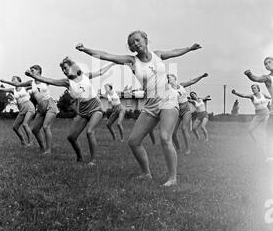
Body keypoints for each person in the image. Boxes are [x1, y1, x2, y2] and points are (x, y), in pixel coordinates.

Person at [75, 30, 202, 187]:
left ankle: (172, 178)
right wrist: (86, 49)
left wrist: (189, 48)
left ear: (146, 40)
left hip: (168, 99)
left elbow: (175, 52)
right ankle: (146, 174)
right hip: (150, 104)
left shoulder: (158, 55)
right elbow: (106, 54)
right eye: (132, 43)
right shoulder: (131, 61)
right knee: (134, 141)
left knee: (164, 137)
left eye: (137, 40)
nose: (135, 43)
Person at [25, 59, 115, 166]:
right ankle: (79, 157)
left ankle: (93, 161)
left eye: (65, 68)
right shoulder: (67, 82)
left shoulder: (85, 76)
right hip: (83, 111)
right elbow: (50, 81)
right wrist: (33, 76)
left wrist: (113, 62)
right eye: (63, 69)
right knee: (71, 137)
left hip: (96, 108)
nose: (64, 71)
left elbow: (100, 71)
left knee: (90, 132)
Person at [1, 65, 59, 155]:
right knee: (35, 130)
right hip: (40, 108)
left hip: (50, 105)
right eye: (31, 70)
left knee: (46, 127)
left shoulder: (45, 80)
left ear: (39, 71)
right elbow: (17, 84)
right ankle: (42, 148)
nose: (31, 72)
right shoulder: (31, 82)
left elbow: (55, 82)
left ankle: (48, 150)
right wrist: (5, 81)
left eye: (33, 70)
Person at [0, 77, 35, 147]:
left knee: (25, 124)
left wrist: (43, 82)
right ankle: (23, 141)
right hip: (21, 109)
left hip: (29, 107)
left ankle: (30, 143)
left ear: (19, 81)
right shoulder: (12, 90)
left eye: (14, 79)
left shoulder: (25, 88)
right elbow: (0, 89)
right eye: (12, 80)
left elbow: (35, 85)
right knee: (15, 127)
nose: (12, 80)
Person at [167, 73, 209, 154]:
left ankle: (188, 149)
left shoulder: (182, 85)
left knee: (184, 129)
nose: (168, 78)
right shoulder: (168, 90)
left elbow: (193, 81)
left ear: (174, 78)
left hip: (186, 110)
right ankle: (178, 149)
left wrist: (202, 76)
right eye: (167, 78)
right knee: (173, 133)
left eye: (169, 77)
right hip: (177, 111)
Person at [231, 86, 271, 160]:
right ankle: (257, 143)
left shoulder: (263, 94)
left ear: (258, 89)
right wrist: (235, 93)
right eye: (252, 89)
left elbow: (271, 97)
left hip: (266, 114)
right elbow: (243, 95)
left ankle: (267, 154)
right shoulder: (252, 96)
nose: (253, 90)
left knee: (264, 133)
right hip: (258, 115)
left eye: (255, 88)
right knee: (250, 130)